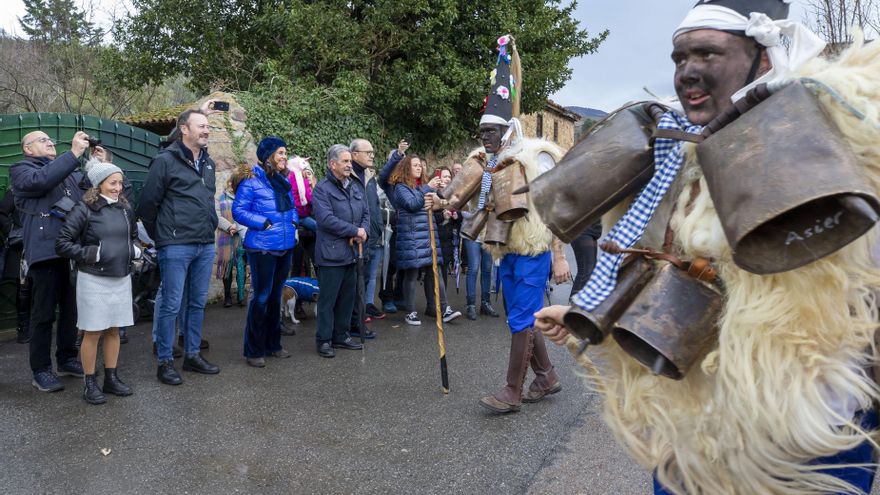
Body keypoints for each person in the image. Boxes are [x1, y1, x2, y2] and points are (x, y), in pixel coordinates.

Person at [535, 1, 880, 493]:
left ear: (762, 57)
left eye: (707, 54)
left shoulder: (840, 146)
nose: (688, 73)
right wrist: (577, 317)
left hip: (812, 444)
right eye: (679, 58)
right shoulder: (675, 154)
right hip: (693, 436)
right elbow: (659, 273)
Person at [426, 35, 569, 413]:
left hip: (535, 249)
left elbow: (555, 208)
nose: (483, 138)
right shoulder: (483, 162)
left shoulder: (536, 158)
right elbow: (455, 200)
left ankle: (512, 391)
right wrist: (438, 200)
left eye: (489, 132)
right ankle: (547, 376)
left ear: (506, 129)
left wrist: (559, 257)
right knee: (523, 315)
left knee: (522, 315)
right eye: (481, 133)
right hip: (504, 250)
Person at [138, 109, 220, 385]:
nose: (207, 130)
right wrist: (161, 238)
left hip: (204, 243)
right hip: (175, 245)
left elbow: (208, 200)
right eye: (201, 126)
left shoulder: (208, 163)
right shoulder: (164, 161)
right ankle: (164, 361)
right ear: (184, 129)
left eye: (208, 126)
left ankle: (192, 356)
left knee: (197, 303)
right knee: (171, 305)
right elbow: (147, 204)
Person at [11, 130, 90, 392]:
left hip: (71, 251)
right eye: (43, 140)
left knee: (71, 311)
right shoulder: (22, 170)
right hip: (45, 253)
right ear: (28, 149)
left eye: (51, 140)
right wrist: (74, 154)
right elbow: (41, 181)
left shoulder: (68, 172)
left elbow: (88, 197)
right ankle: (41, 370)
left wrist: (95, 166)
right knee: (43, 314)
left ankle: (67, 358)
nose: (50, 143)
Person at [56, 162, 136, 404]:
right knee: (92, 332)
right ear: (98, 184)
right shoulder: (84, 208)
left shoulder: (124, 208)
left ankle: (110, 379)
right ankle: (89, 383)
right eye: (113, 183)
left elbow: (131, 236)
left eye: (120, 183)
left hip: (121, 277)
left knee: (114, 330)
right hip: (93, 279)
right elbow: (62, 243)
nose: (118, 187)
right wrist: (90, 254)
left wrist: (134, 251)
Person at [231, 137, 298, 368]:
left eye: (285, 153)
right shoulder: (251, 182)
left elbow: (292, 208)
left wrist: (295, 223)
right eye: (280, 153)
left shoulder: (282, 181)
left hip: (285, 246)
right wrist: (263, 223)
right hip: (262, 247)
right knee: (261, 298)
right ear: (268, 155)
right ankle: (254, 350)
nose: (284, 157)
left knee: (275, 296)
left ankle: (273, 345)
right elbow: (238, 211)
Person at [387, 155, 461, 326]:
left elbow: (436, 204)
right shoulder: (400, 188)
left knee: (434, 272)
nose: (419, 168)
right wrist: (428, 188)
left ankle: (444, 309)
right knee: (412, 273)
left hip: (428, 234)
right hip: (411, 235)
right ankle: (411, 312)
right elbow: (412, 204)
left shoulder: (423, 186)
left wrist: (442, 193)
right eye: (415, 165)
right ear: (406, 168)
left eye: (420, 165)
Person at [311, 144, 367, 358]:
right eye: (344, 161)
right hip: (331, 254)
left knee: (347, 298)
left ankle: (341, 336)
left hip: (352, 252)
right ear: (332, 164)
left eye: (349, 162)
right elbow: (325, 220)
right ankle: (324, 339)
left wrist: (364, 232)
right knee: (328, 300)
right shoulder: (322, 189)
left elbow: (366, 213)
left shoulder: (354, 186)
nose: (348, 165)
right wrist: (354, 230)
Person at [349, 138, 385, 334]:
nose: (372, 154)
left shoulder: (369, 176)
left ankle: (358, 322)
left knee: (363, 282)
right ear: (355, 154)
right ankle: (354, 324)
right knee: (354, 284)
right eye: (368, 151)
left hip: (370, 237)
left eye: (372, 151)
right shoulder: (349, 177)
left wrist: (378, 228)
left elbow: (375, 207)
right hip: (354, 239)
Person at [0, 189, 30, 344]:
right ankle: (24, 329)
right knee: (23, 289)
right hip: (22, 248)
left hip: (43, 244)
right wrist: (11, 230)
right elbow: (2, 212)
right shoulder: (15, 191)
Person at [215, 176, 248, 308]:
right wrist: (229, 226)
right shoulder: (220, 198)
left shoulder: (244, 197)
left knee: (242, 265)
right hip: (225, 235)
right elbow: (216, 216)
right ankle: (228, 296)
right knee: (226, 265)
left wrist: (240, 227)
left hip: (241, 236)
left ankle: (241, 297)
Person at [569, 220, 601, 296]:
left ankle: (577, 302)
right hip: (581, 229)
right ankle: (574, 303)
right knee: (585, 271)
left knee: (591, 270)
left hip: (592, 230)